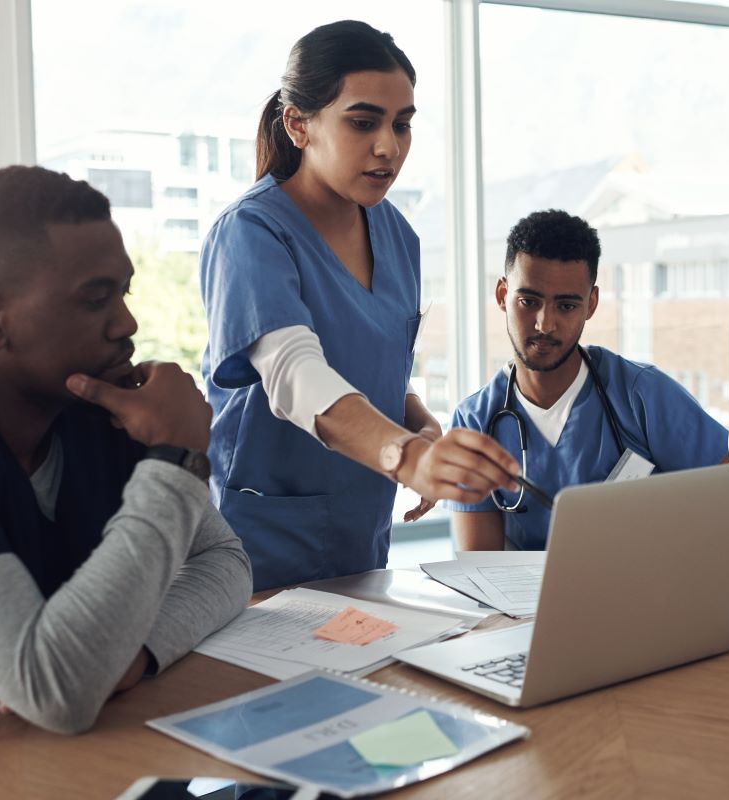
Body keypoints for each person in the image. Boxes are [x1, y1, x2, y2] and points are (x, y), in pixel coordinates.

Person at [0, 166, 252, 799]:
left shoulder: (101, 401)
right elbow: (56, 689)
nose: (125, 323)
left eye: (125, 292)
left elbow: (225, 560)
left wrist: (140, 648)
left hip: (99, 764)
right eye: (95, 299)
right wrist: (174, 457)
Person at [200, 20, 517, 590]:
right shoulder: (251, 232)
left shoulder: (399, 237)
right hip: (259, 546)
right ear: (298, 124)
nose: (388, 147)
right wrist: (408, 458)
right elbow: (297, 374)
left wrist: (417, 422)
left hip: (360, 537)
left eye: (402, 125)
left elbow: (372, 362)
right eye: (363, 122)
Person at [445, 209, 729, 551]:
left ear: (591, 304)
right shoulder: (475, 421)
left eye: (565, 306)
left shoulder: (643, 395)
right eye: (528, 301)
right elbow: (480, 572)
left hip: (639, 594)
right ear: (503, 295)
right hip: (524, 603)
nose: (544, 324)